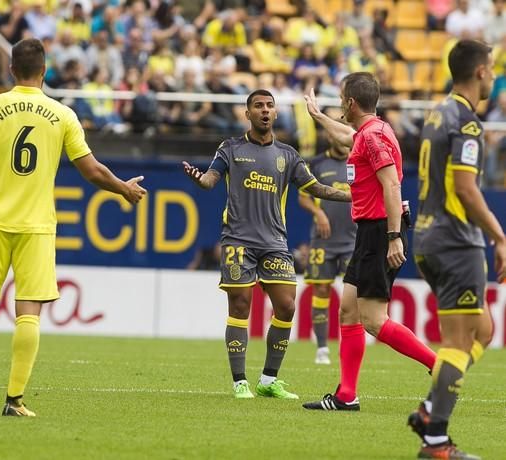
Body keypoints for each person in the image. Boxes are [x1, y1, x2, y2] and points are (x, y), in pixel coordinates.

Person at [0, 38, 146, 417]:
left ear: (10, 69)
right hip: (36, 225)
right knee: (29, 312)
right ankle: (14, 401)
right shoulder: (62, 114)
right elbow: (91, 170)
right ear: (45, 70)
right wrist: (122, 189)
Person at [182, 89, 352, 400]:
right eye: (258, 106)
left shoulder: (287, 155)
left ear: (275, 114)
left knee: (287, 305)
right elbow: (209, 181)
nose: (264, 110)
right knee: (240, 306)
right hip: (238, 241)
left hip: (275, 242)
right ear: (247, 114)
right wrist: (198, 178)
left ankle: (268, 380)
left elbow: (318, 189)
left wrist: (354, 196)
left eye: (269, 106)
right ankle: (239, 382)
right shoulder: (230, 148)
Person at [301, 72, 437, 411]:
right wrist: (318, 117)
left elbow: (391, 186)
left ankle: (441, 367)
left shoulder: (374, 137)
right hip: (369, 233)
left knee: (374, 320)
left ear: (350, 102)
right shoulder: (370, 132)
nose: (339, 105)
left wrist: (394, 237)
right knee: (348, 311)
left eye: (341, 98)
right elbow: (347, 135)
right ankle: (347, 395)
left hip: (380, 231)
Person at [407, 39, 505, 460]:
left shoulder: (436, 113)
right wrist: (500, 236)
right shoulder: (465, 122)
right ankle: (436, 442)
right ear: (481, 72)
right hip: (455, 241)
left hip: (429, 239)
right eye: (493, 68)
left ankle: (430, 410)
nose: (496, 75)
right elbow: (466, 189)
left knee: (483, 330)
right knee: (459, 341)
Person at [298, 136, 356, 365]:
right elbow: (303, 198)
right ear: (331, 137)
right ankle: (322, 348)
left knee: (353, 295)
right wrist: (318, 212)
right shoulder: (316, 164)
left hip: (353, 240)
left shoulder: (359, 160)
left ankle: (349, 346)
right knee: (321, 289)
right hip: (324, 241)